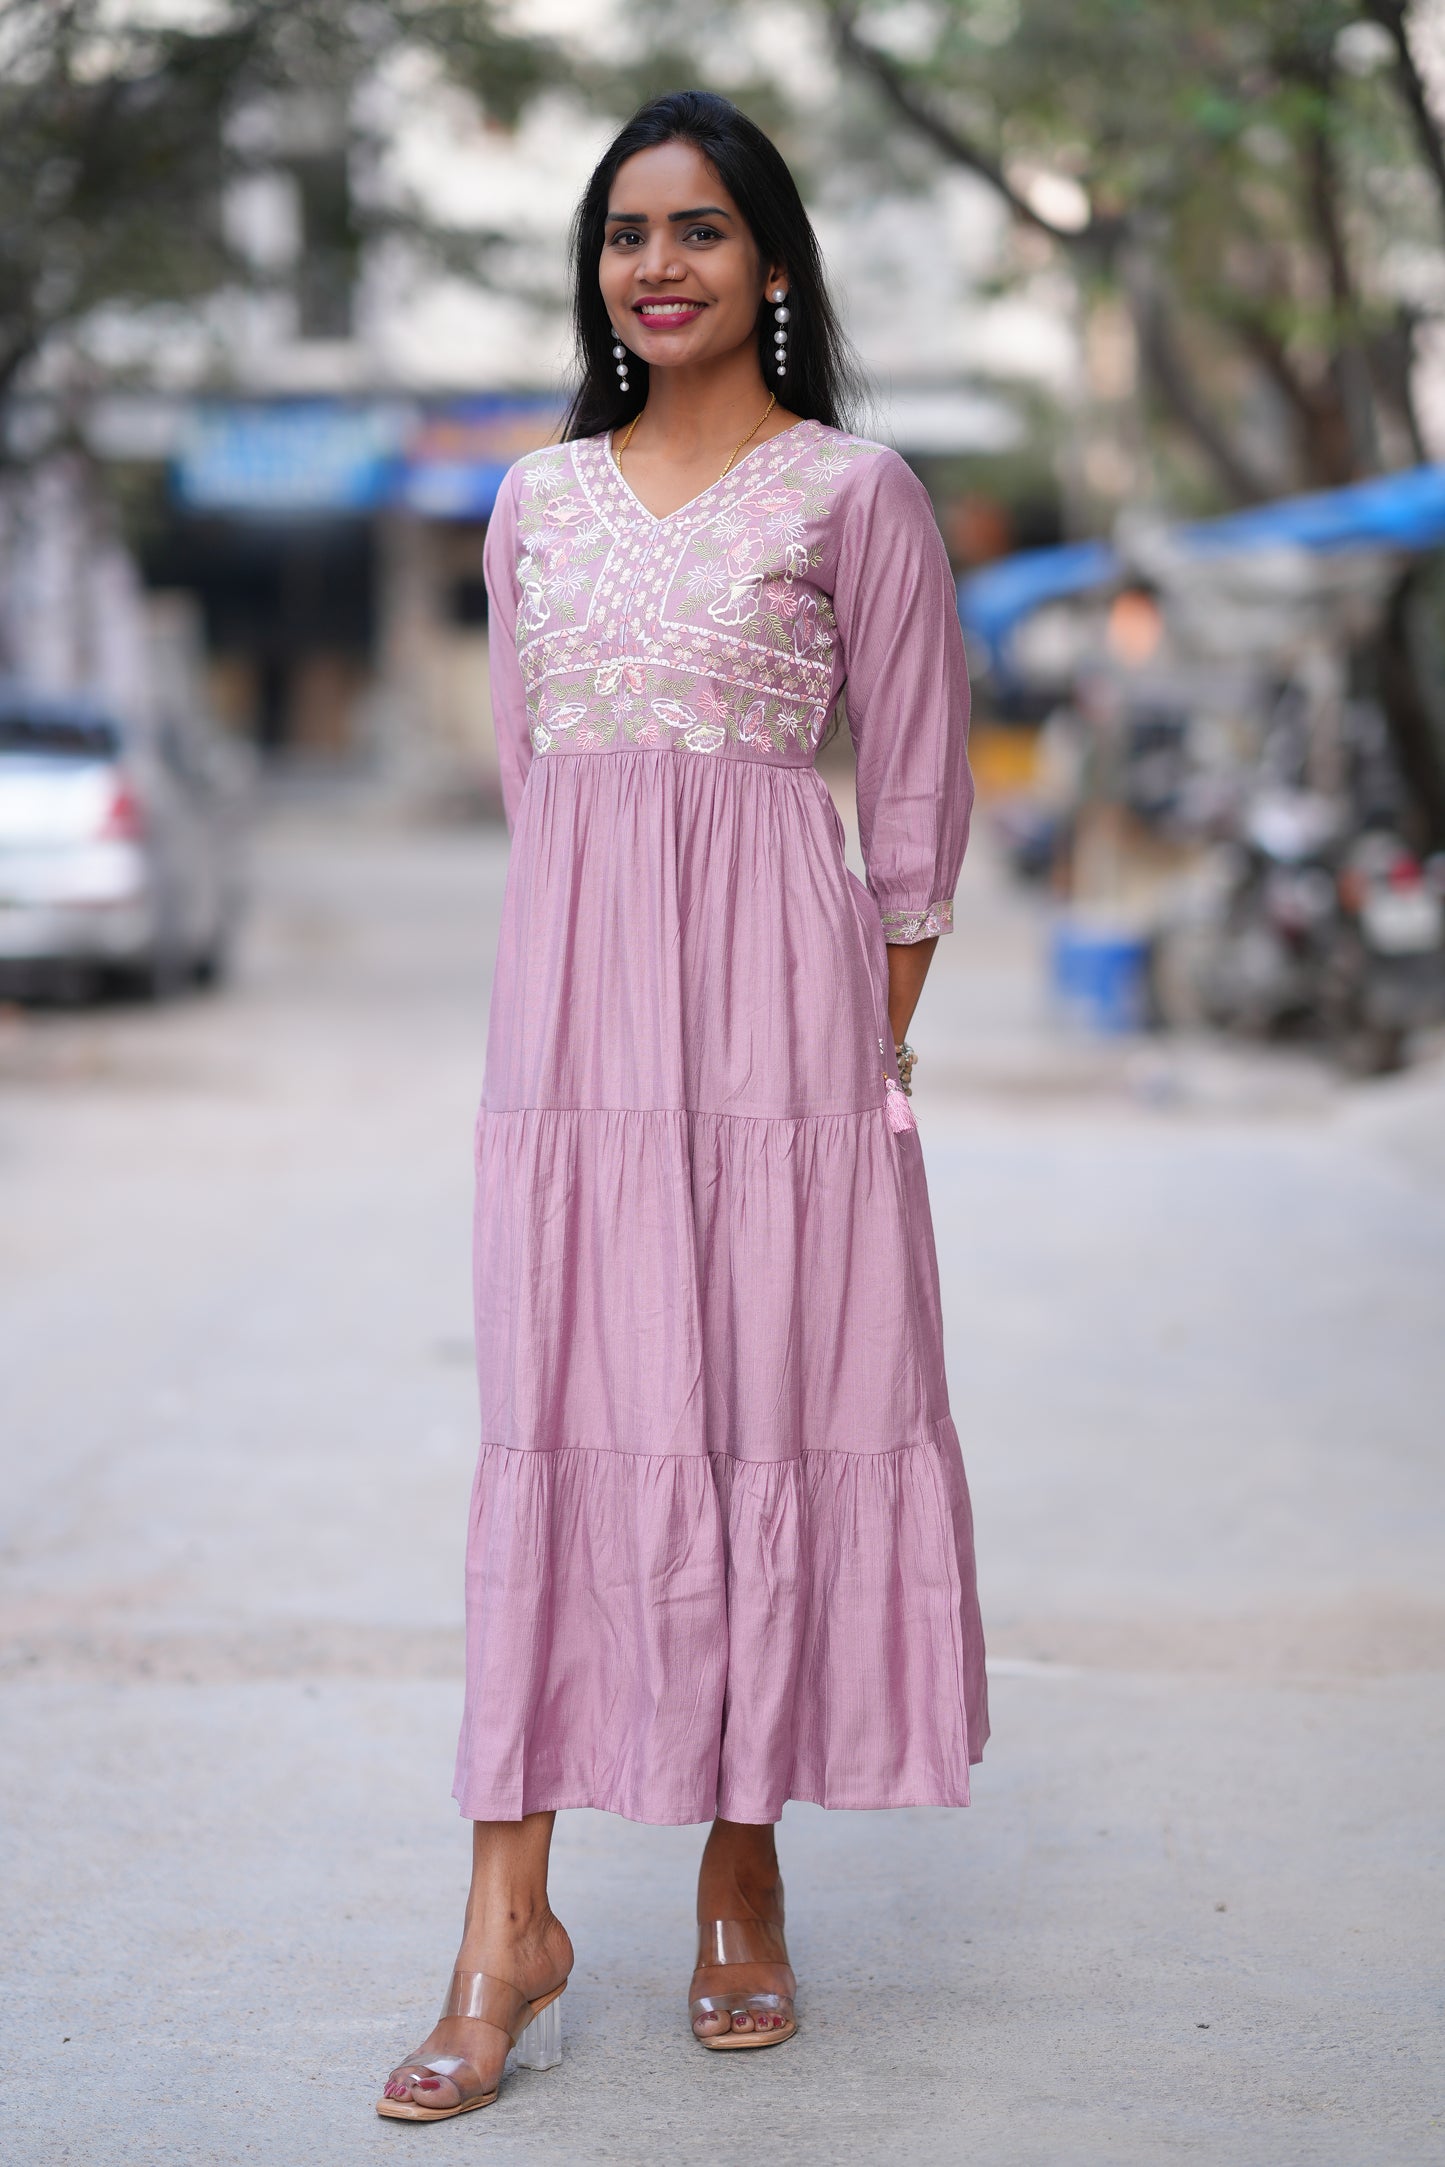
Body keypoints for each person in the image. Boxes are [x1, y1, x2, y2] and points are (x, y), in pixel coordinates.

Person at [378, 88, 988, 2124]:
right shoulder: (536, 499)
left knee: (751, 1428)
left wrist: (857, 1054)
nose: (659, 264)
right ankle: (506, 1924)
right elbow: (547, 797)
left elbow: (910, 809)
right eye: (628, 232)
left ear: (776, 264)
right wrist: (587, 1023)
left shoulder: (858, 494)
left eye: (702, 229)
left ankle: (742, 1869)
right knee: (561, 1435)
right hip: (574, 1059)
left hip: (787, 1057)